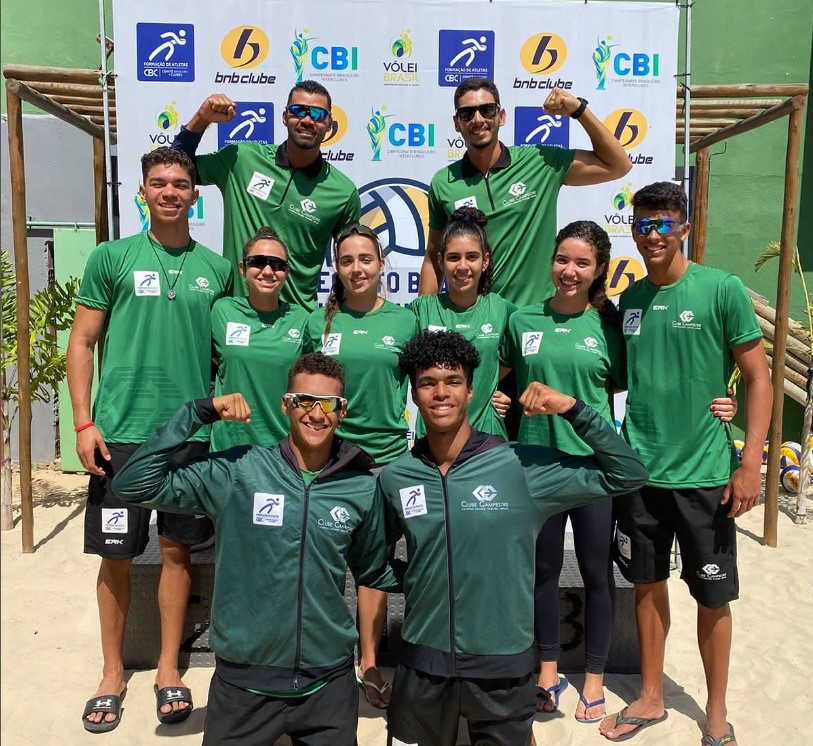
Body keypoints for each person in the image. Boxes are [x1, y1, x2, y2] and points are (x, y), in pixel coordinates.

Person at [503, 221, 738, 724]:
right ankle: (547, 674)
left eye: (582, 263)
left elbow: (660, 377)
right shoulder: (522, 320)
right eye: (562, 259)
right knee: (543, 572)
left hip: (595, 472)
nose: (570, 270)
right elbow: (495, 381)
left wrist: (721, 400)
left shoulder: (611, 325)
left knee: (597, 575)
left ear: (597, 270)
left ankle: (593, 678)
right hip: (536, 469)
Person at [379, 330, 649, 745]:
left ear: (472, 391)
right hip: (421, 662)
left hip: (501, 666)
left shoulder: (518, 466)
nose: (440, 393)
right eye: (427, 383)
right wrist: (415, 578)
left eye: (452, 381)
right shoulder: (399, 476)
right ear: (413, 395)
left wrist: (573, 408)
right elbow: (369, 557)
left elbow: (628, 473)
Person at [111, 354, 397, 745]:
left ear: (342, 411)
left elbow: (372, 570)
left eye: (328, 403)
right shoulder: (239, 471)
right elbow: (133, 484)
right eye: (304, 401)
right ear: (285, 404)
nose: (317, 413)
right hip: (245, 685)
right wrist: (199, 412)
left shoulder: (360, 486)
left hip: (327, 685)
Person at [599, 182, 771, 746]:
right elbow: (620, 378)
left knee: (713, 595)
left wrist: (749, 465)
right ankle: (651, 697)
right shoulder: (630, 302)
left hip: (706, 476)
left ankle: (715, 711)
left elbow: (759, 379)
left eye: (663, 224)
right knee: (648, 586)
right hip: (643, 473)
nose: (651, 235)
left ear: (685, 229)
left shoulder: (721, 289)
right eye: (643, 225)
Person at [66, 147, 232, 733]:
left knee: (177, 553)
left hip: (187, 439)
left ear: (195, 194)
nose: (170, 191)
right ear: (142, 191)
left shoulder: (218, 269)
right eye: (158, 182)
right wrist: (84, 424)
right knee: (115, 556)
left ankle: (168, 670)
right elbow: (82, 343)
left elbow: (230, 355)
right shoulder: (111, 258)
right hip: (121, 437)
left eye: (181, 183)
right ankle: (112, 672)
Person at [307, 223, 419, 708]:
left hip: (386, 463)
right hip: (331, 463)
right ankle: (326, 655)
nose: (357, 269)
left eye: (365, 259)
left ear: (381, 265)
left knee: (374, 567)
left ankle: (370, 663)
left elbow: (435, 389)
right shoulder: (319, 323)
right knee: (324, 561)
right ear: (338, 267)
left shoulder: (405, 322)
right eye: (347, 260)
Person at [419, 76, 631, 307]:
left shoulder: (540, 162)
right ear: (457, 123)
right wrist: (424, 317)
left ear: (501, 117)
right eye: (467, 114)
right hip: (476, 321)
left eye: (487, 110)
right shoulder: (444, 182)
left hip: (535, 318)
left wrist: (578, 110)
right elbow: (433, 257)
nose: (478, 119)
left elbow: (618, 165)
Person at [172, 80, 360, 308]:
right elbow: (174, 169)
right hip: (234, 316)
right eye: (298, 111)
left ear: (329, 123)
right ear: (284, 117)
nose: (307, 120)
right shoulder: (242, 159)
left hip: (297, 325)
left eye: (318, 114)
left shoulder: (343, 191)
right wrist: (202, 119)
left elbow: (351, 262)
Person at [409, 206, 515, 437]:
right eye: (454, 257)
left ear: (485, 261)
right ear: (441, 261)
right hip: (431, 441)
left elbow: (526, 357)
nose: (463, 266)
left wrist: (497, 389)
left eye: (472, 257)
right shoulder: (421, 310)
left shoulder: (502, 310)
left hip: (487, 439)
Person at [210, 226, 310, 451]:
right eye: (258, 262)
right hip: (229, 446)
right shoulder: (222, 310)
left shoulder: (302, 319)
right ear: (242, 268)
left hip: (283, 449)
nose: (267, 271)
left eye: (277, 265)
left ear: (287, 273)